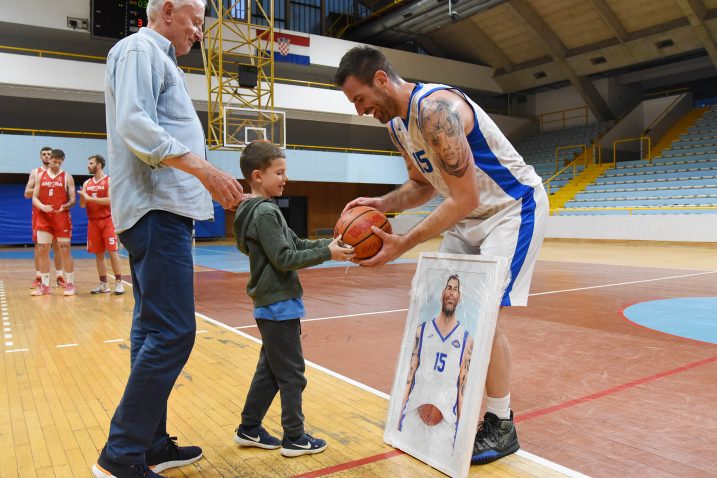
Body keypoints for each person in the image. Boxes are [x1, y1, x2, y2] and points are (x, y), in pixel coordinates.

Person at [334, 46, 548, 465]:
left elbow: (464, 197)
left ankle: (501, 423)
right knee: (438, 307)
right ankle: (442, 405)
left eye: (360, 99)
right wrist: (382, 201)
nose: (360, 111)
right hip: (468, 215)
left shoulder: (437, 111)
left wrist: (403, 243)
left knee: (484, 317)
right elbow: (425, 184)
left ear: (380, 80)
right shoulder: (398, 126)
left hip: (510, 208)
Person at [93, 0, 245, 476]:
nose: (200, 33)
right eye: (196, 22)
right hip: (157, 209)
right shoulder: (140, 51)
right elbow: (135, 124)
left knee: (151, 333)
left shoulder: (161, 59)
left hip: (160, 212)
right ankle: (121, 454)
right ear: (168, 10)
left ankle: (150, 445)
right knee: (175, 333)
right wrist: (206, 171)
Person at [232, 141, 354, 458]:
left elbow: (295, 241)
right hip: (278, 303)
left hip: (272, 303)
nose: (285, 178)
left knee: (270, 371)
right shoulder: (265, 213)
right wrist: (327, 253)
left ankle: (249, 427)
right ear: (258, 176)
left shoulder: (259, 210)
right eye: (279, 172)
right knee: (292, 375)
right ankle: (295, 437)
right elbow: (285, 257)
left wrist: (330, 243)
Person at [398, 274, 473, 459]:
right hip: (413, 417)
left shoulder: (466, 340)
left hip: (445, 425)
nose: (452, 292)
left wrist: (462, 436)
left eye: (456, 289)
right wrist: (396, 417)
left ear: (460, 297)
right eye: (449, 287)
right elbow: (409, 377)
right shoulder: (421, 331)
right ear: (442, 293)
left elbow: (463, 390)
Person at [30, 149, 76, 296]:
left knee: (65, 250)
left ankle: (70, 284)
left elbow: (73, 199)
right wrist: (42, 206)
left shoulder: (67, 177)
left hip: (61, 218)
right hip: (44, 218)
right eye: (54, 162)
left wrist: (66, 206)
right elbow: (34, 197)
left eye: (59, 163)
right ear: (49, 160)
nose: (56, 165)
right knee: (42, 251)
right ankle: (44, 285)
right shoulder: (39, 176)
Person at [79, 154, 125, 295]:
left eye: (91, 163)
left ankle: (119, 283)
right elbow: (82, 205)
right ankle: (104, 284)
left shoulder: (109, 180)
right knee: (98, 254)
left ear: (99, 165)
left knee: (112, 252)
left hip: (107, 221)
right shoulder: (87, 183)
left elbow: (111, 200)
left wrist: (90, 198)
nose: (88, 165)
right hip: (93, 222)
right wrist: (83, 198)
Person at [25, 146, 64, 288]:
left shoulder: (61, 174)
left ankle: (60, 276)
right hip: (40, 213)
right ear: (40, 157)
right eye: (44, 154)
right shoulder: (36, 173)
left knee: (58, 245)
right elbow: (27, 193)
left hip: (56, 213)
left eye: (49, 154)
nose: (47, 156)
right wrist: (39, 187)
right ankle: (39, 277)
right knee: (39, 246)